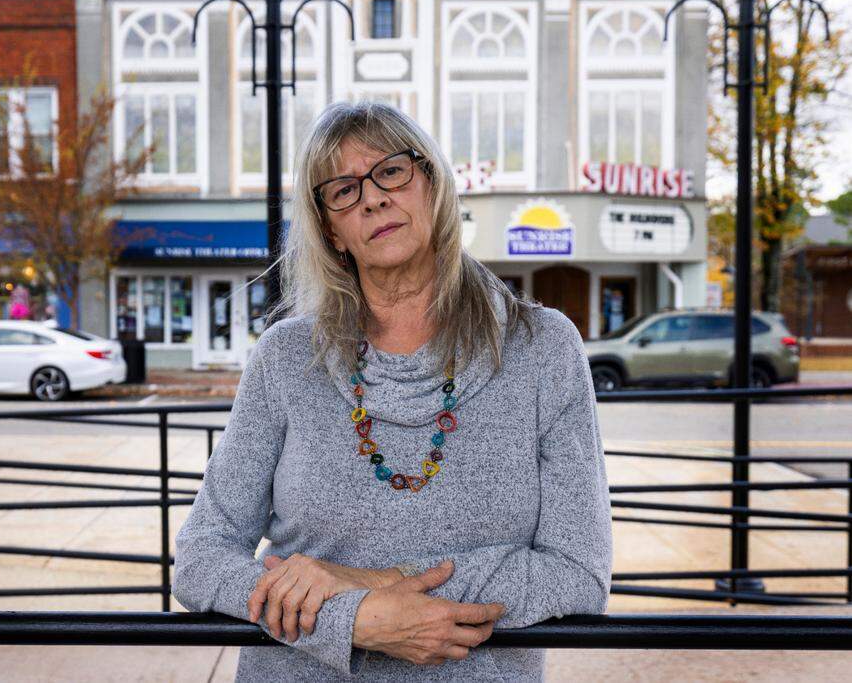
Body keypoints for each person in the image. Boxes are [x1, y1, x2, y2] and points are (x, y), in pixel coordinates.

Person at [171, 101, 612, 680]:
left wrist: (373, 582)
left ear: (431, 181)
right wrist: (357, 619)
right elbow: (201, 558)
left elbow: (579, 573)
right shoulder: (284, 358)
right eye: (344, 190)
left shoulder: (544, 350)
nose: (374, 197)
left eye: (391, 172)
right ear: (331, 230)